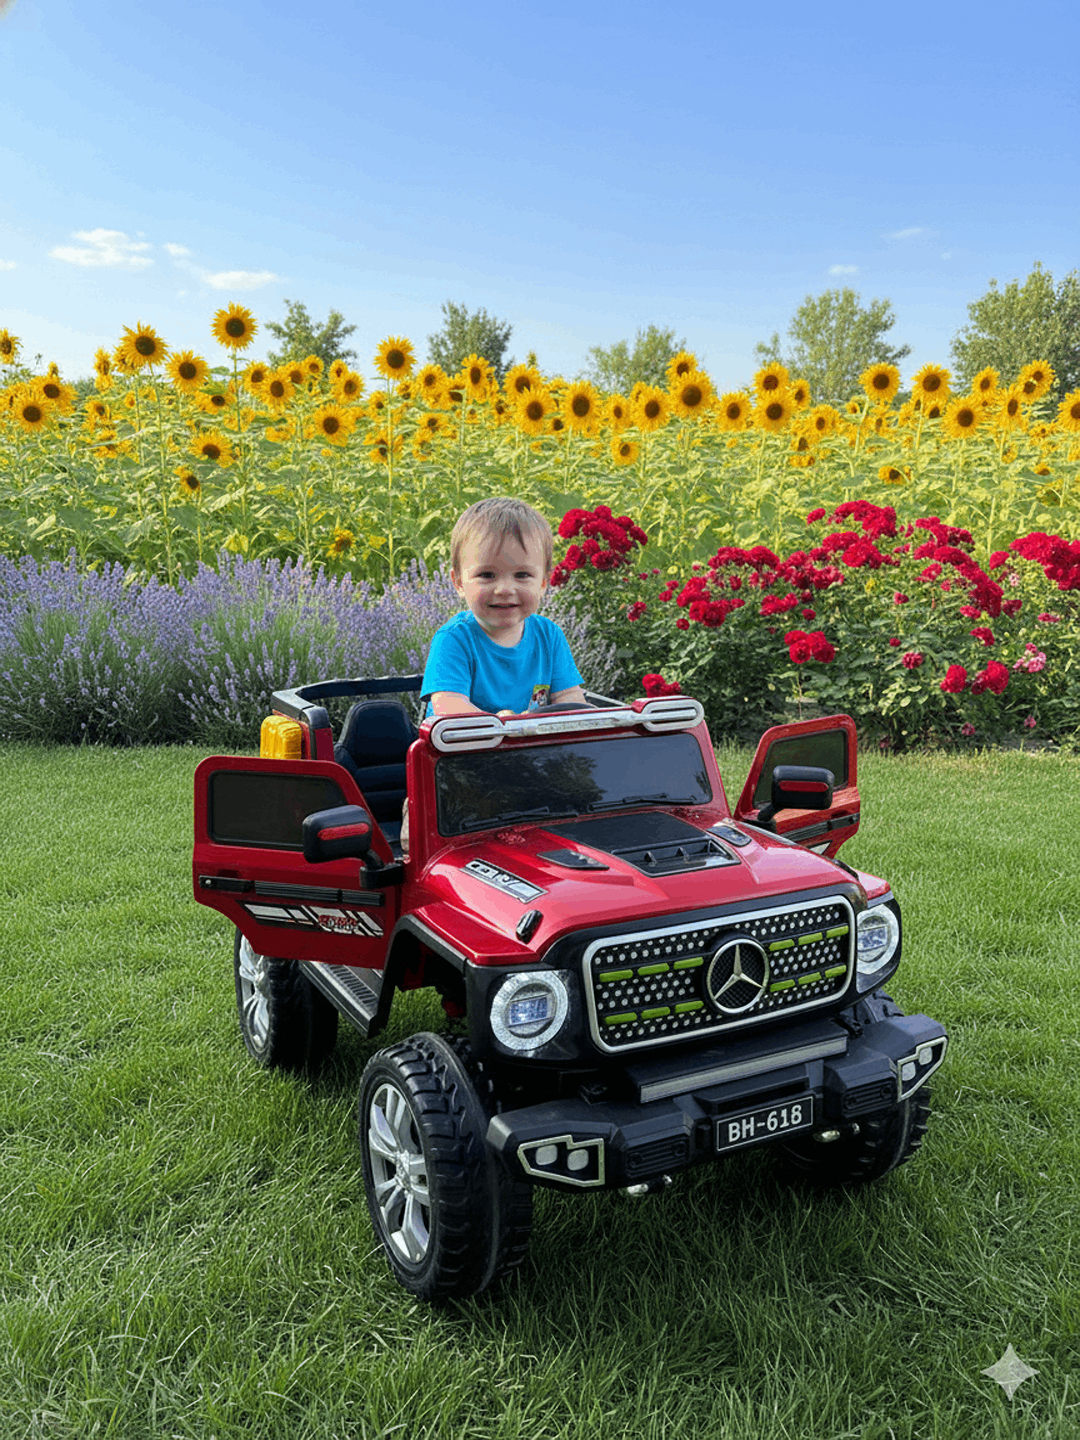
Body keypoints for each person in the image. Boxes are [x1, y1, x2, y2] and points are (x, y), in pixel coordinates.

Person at [400, 497, 586, 851]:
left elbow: (570, 700)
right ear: (458, 581)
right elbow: (448, 704)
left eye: (522, 575)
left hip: (530, 771)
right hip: (455, 774)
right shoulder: (454, 640)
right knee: (430, 849)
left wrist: (556, 722)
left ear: (544, 582)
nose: (504, 588)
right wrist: (498, 726)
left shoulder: (550, 637)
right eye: (487, 575)